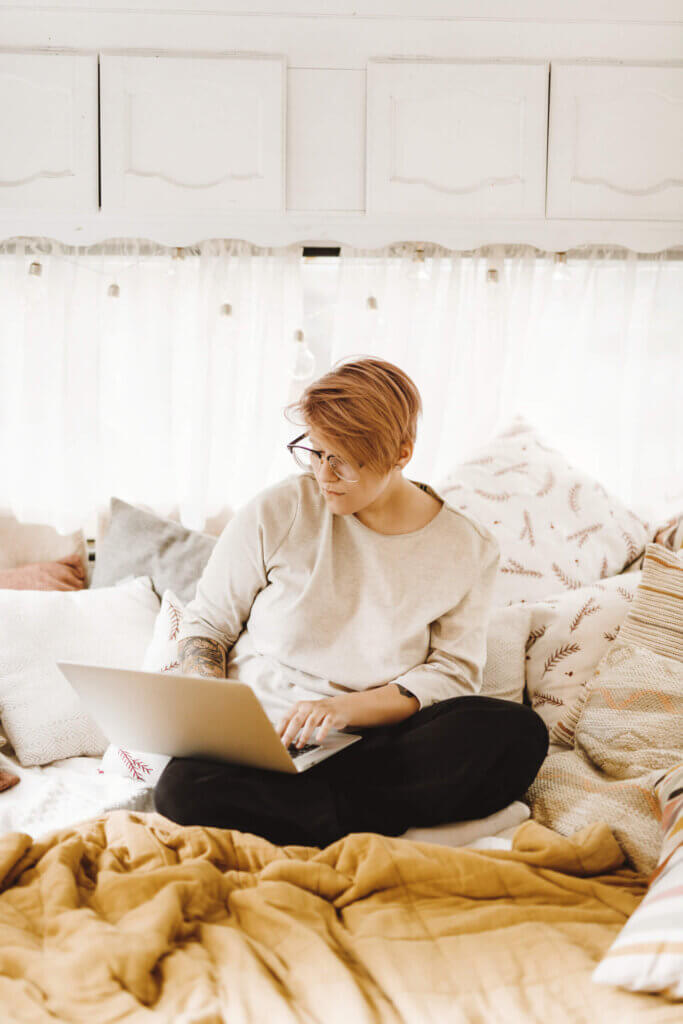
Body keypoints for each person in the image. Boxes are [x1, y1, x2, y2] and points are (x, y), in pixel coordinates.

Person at [154, 357, 548, 847]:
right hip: (267, 733)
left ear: (401, 453)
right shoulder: (278, 510)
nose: (324, 474)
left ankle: (310, 813)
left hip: (374, 739)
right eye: (316, 453)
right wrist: (211, 707)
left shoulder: (467, 548)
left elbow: (452, 673)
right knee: (179, 790)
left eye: (342, 459)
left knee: (516, 733)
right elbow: (208, 624)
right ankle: (358, 817)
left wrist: (343, 709)